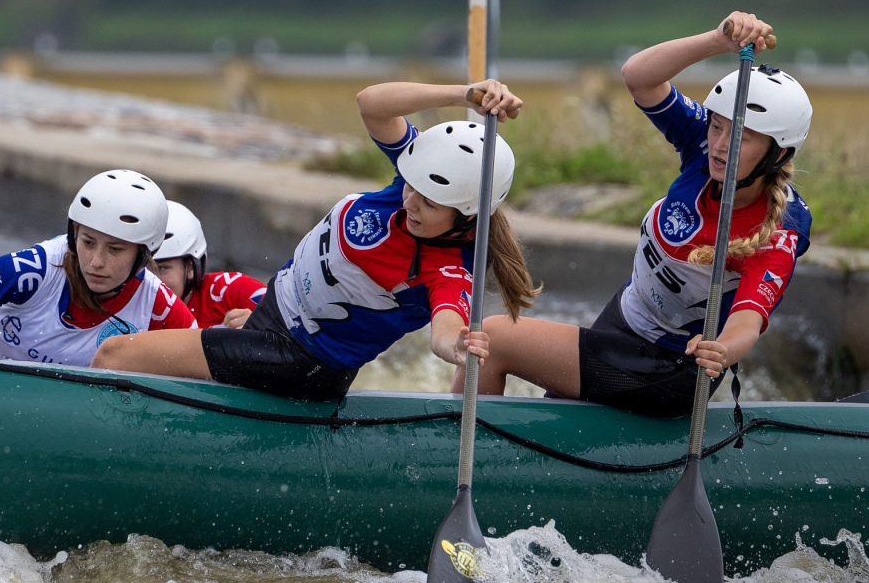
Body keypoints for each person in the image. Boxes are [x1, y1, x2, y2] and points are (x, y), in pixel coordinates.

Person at [454, 12, 813, 417]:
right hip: (622, 323)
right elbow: (639, 77)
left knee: (493, 339)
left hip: (671, 367)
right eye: (717, 127)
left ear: (779, 153)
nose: (720, 145)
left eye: (741, 137)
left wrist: (721, 350)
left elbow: (748, 318)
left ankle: (447, 457)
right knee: (551, 406)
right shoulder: (700, 146)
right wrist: (718, 40)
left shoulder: (781, 230)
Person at [92, 80, 539, 401]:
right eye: (411, 187)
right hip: (270, 319)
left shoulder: (448, 268)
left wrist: (457, 346)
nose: (410, 204)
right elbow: (371, 102)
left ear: (467, 215)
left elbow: (445, 328)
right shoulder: (414, 169)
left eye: (429, 203)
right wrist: (464, 94)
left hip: (299, 363)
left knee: (115, 355)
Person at [0, 169, 197, 366]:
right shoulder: (35, 269)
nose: (96, 261)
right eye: (88, 241)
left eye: (115, 249)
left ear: (143, 255)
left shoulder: (158, 306)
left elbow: (206, 366)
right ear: (74, 236)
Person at [152, 200, 267, 329]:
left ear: (190, 268)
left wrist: (263, 327)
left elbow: (290, 326)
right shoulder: (128, 297)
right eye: (142, 268)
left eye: (161, 268)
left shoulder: (230, 291)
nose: (150, 279)